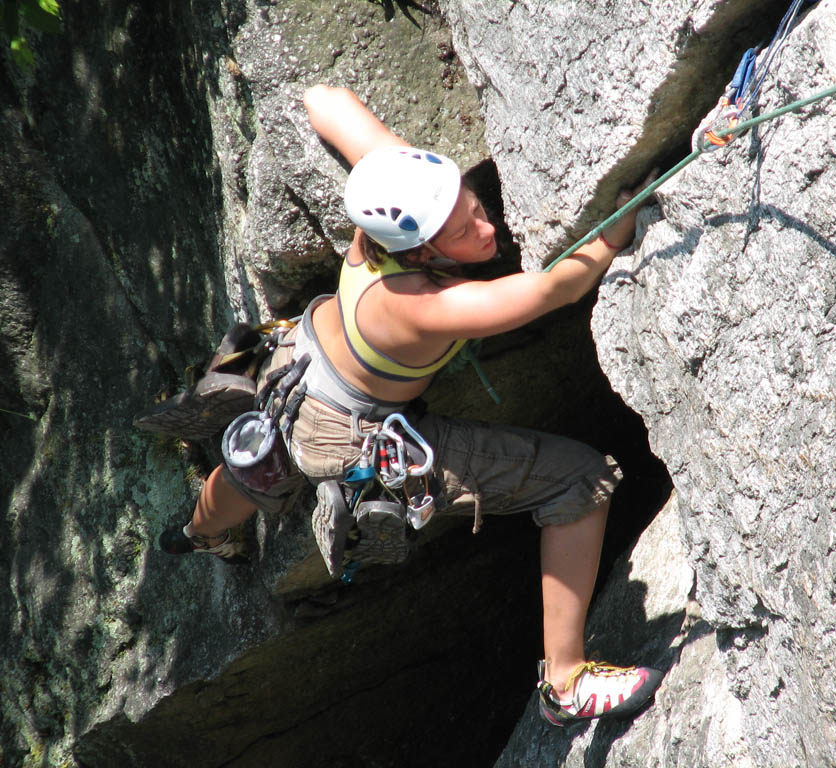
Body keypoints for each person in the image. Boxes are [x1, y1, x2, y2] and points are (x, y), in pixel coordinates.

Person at [156, 84, 663, 726]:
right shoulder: (426, 305)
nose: (487, 227)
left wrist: (379, 152)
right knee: (581, 479)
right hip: (354, 435)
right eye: (464, 231)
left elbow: (324, 101)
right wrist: (612, 233)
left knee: (272, 450)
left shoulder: (401, 197)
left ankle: (198, 530)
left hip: (299, 372)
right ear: (420, 252)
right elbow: (553, 290)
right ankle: (564, 683)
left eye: (475, 207)